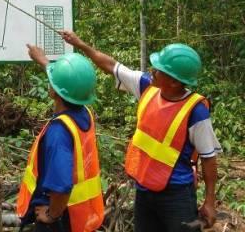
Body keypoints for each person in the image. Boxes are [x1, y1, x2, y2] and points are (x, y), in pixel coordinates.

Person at [56, 31, 221, 232]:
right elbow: (112, 66)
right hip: (144, 190)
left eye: (159, 69)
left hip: (177, 195)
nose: (152, 70)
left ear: (175, 82)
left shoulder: (196, 111)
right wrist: (80, 44)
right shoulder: (147, 87)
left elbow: (208, 157)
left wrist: (210, 201)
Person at [17, 45, 104, 232]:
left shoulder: (59, 132)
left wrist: (51, 215)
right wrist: (44, 61)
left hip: (60, 220)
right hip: (80, 215)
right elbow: (70, 82)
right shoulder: (84, 114)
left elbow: (61, 185)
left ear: (54, 92)